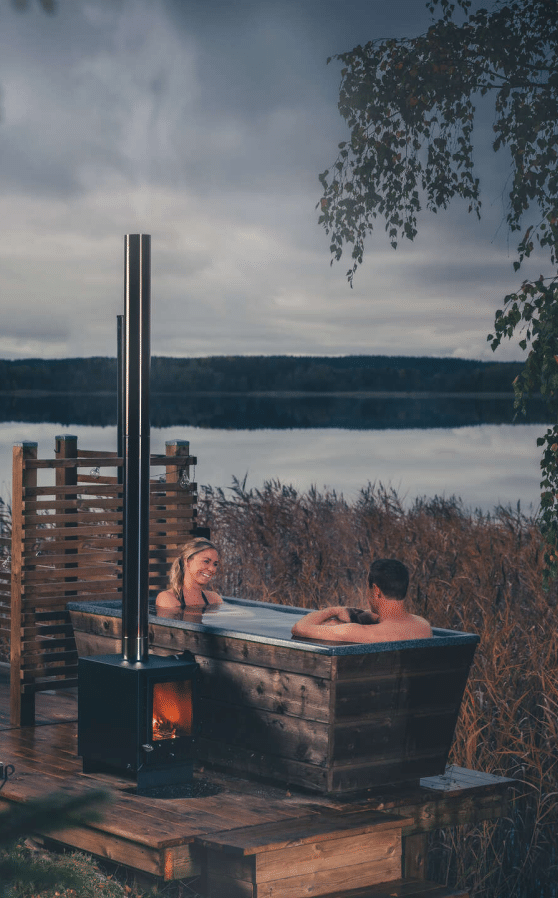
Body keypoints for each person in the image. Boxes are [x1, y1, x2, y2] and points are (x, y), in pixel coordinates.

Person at [291, 558, 431, 643]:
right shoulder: (423, 627)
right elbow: (389, 620)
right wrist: (356, 614)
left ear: (376, 591)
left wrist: (332, 610)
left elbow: (299, 628)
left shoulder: (361, 633)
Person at [155, 537, 222, 610]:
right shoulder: (167, 598)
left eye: (215, 564)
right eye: (206, 561)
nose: (212, 569)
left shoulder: (214, 599)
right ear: (187, 562)